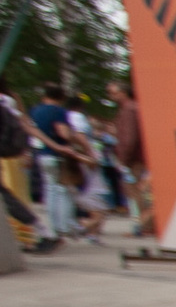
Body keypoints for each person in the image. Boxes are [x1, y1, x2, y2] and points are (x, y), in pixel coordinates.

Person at [30, 84, 102, 244]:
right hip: (59, 155)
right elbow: (63, 132)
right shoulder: (58, 111)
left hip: (42, 154)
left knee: (50, 192)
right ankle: (65, 227)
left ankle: (54, 228)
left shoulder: (35, 110)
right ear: (61, 97)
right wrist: (74, 140)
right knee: (64, 191)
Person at [0, 89, 42, 254]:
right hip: (11, 156)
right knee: (13, 195)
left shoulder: (6, 101)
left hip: (10, 158)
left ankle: (28, 234)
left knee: (10, 195)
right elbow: (23, 124)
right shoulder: (8, 100)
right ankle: (29, 234)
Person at [109, 79, 147, 228]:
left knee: (136, 193)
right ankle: (142, 224)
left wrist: (124, 158)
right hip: (134, 158)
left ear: (123, 93)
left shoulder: (129, 110)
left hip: (133, 160)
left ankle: (142, 226)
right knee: (137, 192)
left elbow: (130, 138)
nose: (111, 96)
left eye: (113, 93)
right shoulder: (131, 108)